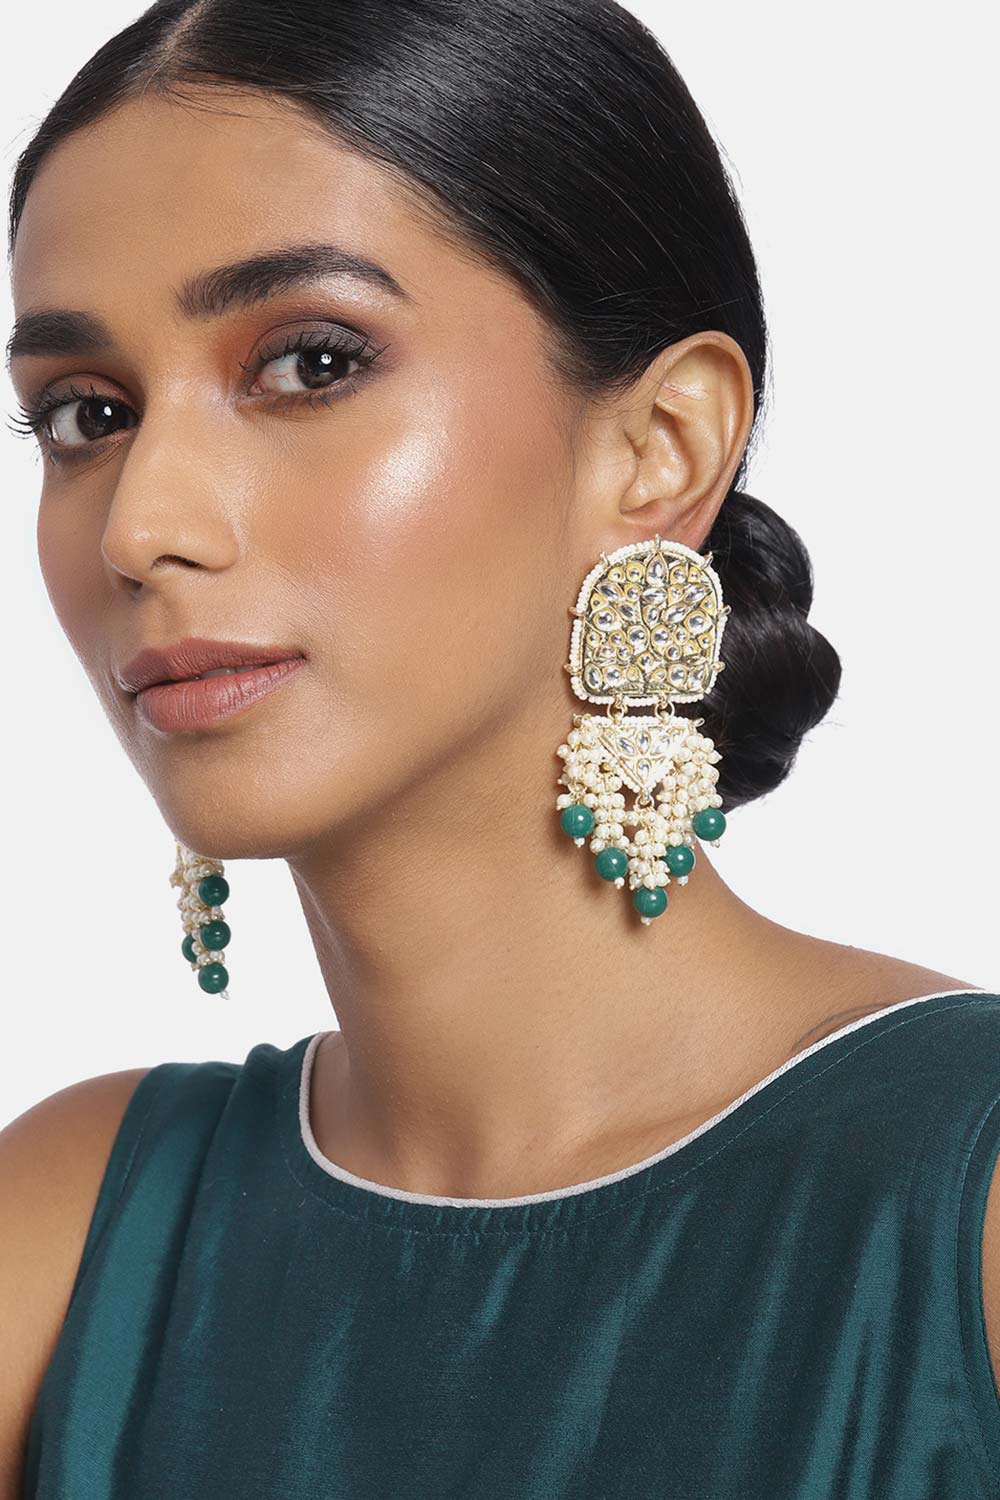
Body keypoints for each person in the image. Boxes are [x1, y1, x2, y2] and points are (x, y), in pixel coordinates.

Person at [2, 1, 997, 1495]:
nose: (142, 526)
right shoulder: (68, 1236)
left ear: (657, 448)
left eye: (310, 364)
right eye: (86, 413)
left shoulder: (961, 1203)